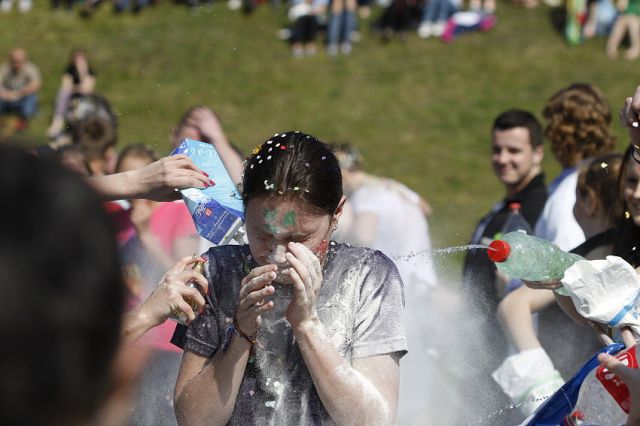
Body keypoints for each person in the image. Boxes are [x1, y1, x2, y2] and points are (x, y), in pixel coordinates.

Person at [173, 131, 406, 425]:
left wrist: (307, 325)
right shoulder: (218, 271)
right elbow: (193, 420)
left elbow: (372, 421)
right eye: (263, 235)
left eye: (299, 238)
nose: (278, 256)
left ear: (337, 214)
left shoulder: (367, 276)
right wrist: (241, 334)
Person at [494, 152, 624, 415]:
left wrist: (542, 383)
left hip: (588, 392)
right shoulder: (597, 254)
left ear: (588, 202)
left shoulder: (594, 256)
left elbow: (513, 305)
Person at [332, 142, 438, 423]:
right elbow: (425, 208)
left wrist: (337, 232)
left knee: (400, 386)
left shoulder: (366, 196)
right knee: (420, 383)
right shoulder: (393, 188)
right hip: (424, 291)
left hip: (398, 296)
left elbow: (364, 237)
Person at [459, 109, 547, 422]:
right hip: (481, 354)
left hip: (512, 360)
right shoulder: (502, 209)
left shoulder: (540, 210)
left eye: (514, 151)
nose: (503, 159)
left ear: (537, 153)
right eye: (497, 150)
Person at [534, 83, 616, 251]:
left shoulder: (573, 190)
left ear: (559, 131)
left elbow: (569, 259)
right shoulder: (607, 175)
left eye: (550, 125)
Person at [171, 106, 244, 187]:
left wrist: (217, 139)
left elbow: (242, 185)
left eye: (203, 148)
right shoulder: (157, 173)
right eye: (188, 146)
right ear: (174, 135)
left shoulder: (223, 187)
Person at [47, 48, 97, 139]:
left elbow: (88, 89)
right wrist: (78, 88)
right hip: (70, 97)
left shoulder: (90, 71)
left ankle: (61, 125)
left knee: (71, 96)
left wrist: (82, 72)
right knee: (63, 93)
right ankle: (58, 121)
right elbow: (65, 86)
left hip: (85, 99)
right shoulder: (69, 70)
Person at [0, 48, 40, 129]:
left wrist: (21, 92)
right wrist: (4, 93)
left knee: (31, 97)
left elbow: (36, 84)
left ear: (25, 60)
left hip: (23, 97)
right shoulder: (5, 68)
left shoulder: (30, 69)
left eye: (20, 61)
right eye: (14, 61)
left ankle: (23, 119)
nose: (17, 64)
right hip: (7, 97)